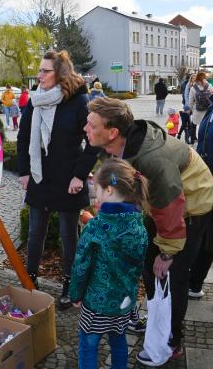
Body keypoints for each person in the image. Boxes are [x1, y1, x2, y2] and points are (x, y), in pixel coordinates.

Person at [84, 97, 213, 365]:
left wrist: (166, 254)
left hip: (191, 206)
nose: (85, 127)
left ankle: (170, 341)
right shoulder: (119, 145)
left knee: (172, 274)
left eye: (91, 124)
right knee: (147, 266)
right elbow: (123, 179)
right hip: (160, 204)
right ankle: (155, 320)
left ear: (112, 132)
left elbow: (171, 205)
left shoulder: (153, 159)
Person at [17, 50, 100, 310]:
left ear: (60, 73)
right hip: (40, 176)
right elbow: (22, 137)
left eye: (45, 71)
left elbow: (94, 141)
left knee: (68, 236)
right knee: (34, 234)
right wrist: (23, 171)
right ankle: (29, 280)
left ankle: (69, 284)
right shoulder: (36, 99)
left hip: (68, 179)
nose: (39, 75)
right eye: (39, 70)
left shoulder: (79, 101)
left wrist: (78, 175)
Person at [69, 157, 149, 369]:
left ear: (110, 190)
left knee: (88, 344)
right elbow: (137, 265)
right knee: (118, 340)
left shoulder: (95, 228)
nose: (97, 196)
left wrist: (75, 295)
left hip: (97, 303)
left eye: (99, 191)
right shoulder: (139, 226)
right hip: (124, 301)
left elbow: (81, 266)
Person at [189, 103, 213, 298]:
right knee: (203, 233)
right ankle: (194, 283)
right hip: (206, 181)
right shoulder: (211, 108)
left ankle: (194, 282)